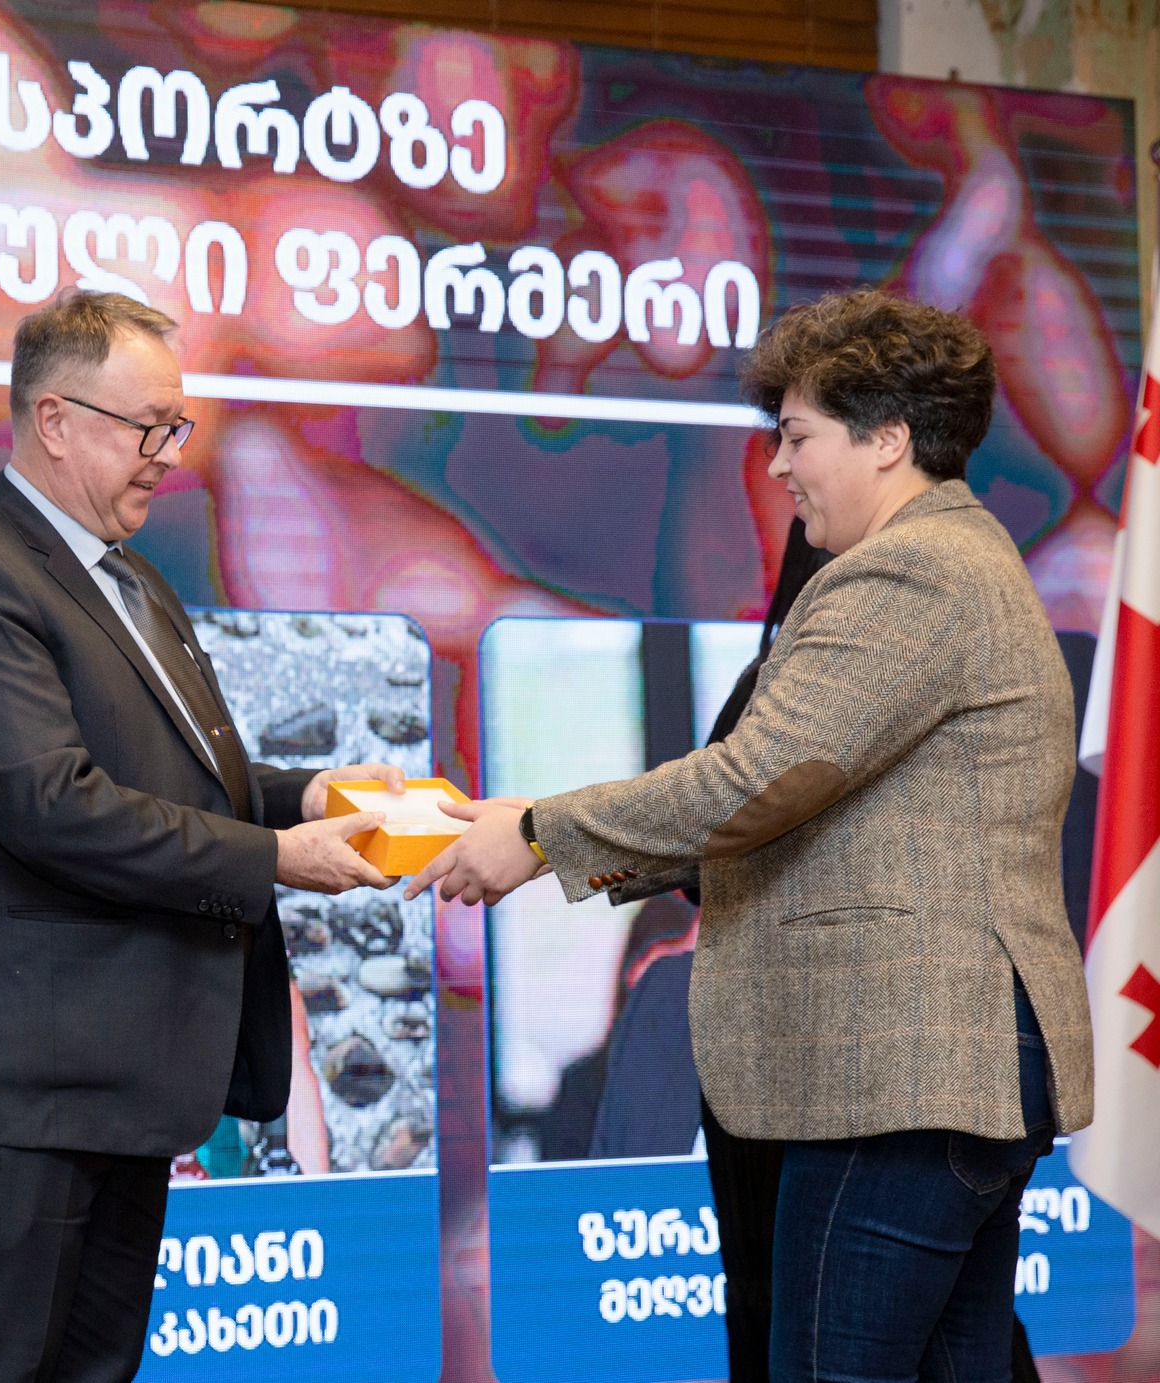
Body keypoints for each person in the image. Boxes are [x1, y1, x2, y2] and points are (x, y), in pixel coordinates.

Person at [413, 289, 1094, 1381]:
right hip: (931, 1074)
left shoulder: (909, 569)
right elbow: (798, 794)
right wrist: (533, 830)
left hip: (900, 1074)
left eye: (796, 436)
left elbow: (759, 777)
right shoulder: (955, 559)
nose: (778, 467)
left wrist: (539, 836)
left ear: (886, 438)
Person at [0, 289, 402, 1383]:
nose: (170, 455)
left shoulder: (130, 579)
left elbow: (178, 780)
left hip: (115, 1081)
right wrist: (274, 860)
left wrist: (307, 798)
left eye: (177, 426)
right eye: (147, 426)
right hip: (19, 1087)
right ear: (54, 420)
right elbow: (54, 804)